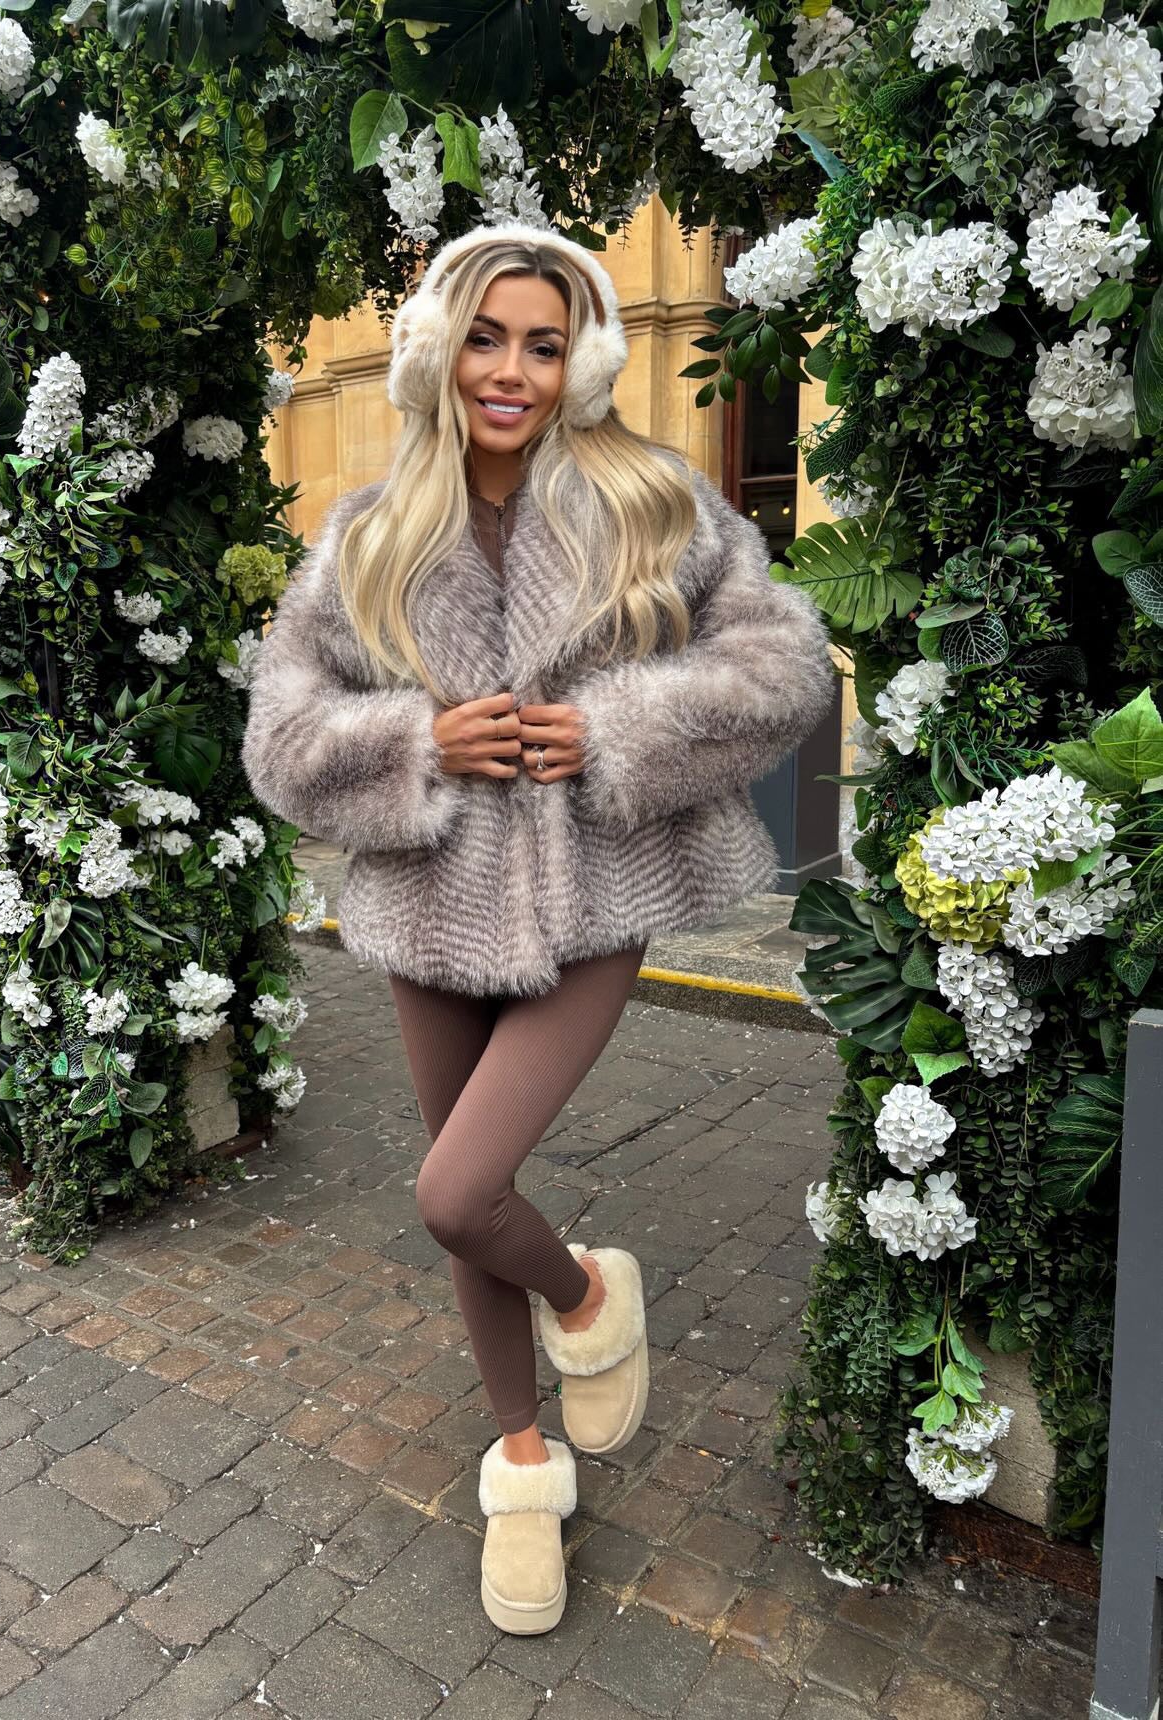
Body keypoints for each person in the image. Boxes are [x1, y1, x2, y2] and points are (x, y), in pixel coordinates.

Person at [242, 219, 836, 1636]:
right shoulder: (368, 534)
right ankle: (522, 1458)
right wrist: (416, 741)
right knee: (467, 1194)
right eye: (487, 338)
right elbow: (281, 734)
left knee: (457, 1192)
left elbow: (785, 660)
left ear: (582, 363)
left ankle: (581, 1295)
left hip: (596, 899)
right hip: (426, 897)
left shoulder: (651, 504)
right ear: (441, 349)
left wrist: (615, 728)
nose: (510, 369)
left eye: (544, 344)